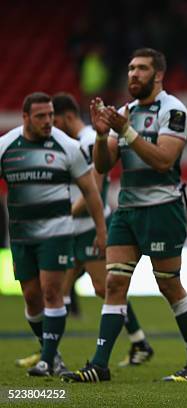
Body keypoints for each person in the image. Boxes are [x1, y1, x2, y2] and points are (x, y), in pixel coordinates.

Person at [61, 48, 187, 383]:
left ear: (158, 75)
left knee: (169, 286)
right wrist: (101, 134)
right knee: (114, 283)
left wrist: (126, 131)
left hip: (162, 210)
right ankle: (99, 364)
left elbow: (163, 161)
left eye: (141, 69)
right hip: (127, 210)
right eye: (130, 68)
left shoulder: (174, 111)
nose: (133, 75)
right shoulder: (125, 112)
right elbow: (102, 165)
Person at [0, 92, 107, 376]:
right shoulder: (6, 146)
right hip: (22, 235)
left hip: (57, 232)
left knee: (51, 292)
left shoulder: (67, 146)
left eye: (50, 115)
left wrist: (101, 229)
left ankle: (46, 360)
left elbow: (90, 191)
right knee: (32, 298)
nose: (48, 121)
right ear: (25, 118)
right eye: (40, 117)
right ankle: (52, 353)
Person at [52, 93, 154, 366]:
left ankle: (139, 343)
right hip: (76, 229)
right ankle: (49, 353)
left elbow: (94, 190)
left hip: (89, 227)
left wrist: (64, 214)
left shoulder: (88, 142)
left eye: (54, 119)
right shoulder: (79, 142)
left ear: (67, 117)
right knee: (57, 289)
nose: (51, 126)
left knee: (104, 288)